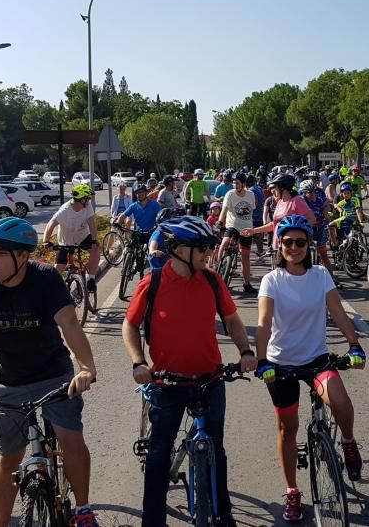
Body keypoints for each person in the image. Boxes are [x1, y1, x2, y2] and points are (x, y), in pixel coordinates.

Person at [122, 218, 257, 527]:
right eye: (203, 249)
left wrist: (246, 352)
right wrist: (138, 362)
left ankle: (223, 514)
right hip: (167, 382)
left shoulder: (211, 280)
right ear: (180, 250)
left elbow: (232, 320)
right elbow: (129, 324)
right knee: (159, 454)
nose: (209, 254)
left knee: (216, 450)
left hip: (210, 379)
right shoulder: (153, 283)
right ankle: (153, 521)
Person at [0, 218, 99, 527]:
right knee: (10, 459)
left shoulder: (45, 279)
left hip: (53, 375)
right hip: (8, 382)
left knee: (70, 438)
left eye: (1, 252)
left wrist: (86, 368)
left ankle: (82, 511)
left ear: (23, 257)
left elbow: (69, 324)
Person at [255, 215, 365, 522]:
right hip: (281, 364)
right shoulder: (272, 280)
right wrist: (262, 360)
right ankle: (292, 491)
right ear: (280, 246)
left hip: (316, 360)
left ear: (308, 245)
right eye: (287, 242)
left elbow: (338, 313)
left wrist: (354, 344)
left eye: (300, 242)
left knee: (340, 401)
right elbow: (263, 323)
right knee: (287, 429)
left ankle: (348, 441)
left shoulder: (319, 275)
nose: (294, 247)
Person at [43, 184, 100, 295]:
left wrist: (94, 241)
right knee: (59, 268)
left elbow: (92, 224)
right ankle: (51, 292)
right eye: (87, 198)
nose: (88, 201)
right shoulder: (65, 210)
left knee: (96, 251)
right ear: (82, 199)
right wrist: (46, 241)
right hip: (65, 241)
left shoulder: (87, 207)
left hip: (83, 237)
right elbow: (50, 224)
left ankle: (90, 279)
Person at [243, 173, 315, 252]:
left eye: (274, 188)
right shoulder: (280, 202)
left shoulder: (297, 201)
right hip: (278, 246)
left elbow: (311, 219)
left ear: (282, 188)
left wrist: (296, 234)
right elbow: (275, 224)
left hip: (293, 248)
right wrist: (253, 231)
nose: (272, 191)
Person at [218, 171, 257, 294]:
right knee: (225, 243)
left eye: (238, 183)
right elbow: (224, 209)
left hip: (246, 228)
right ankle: (218, 269)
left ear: (243, 184)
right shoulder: (230, 194)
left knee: (245, 256)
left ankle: (247, 283)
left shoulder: (250, 195)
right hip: (232, 225)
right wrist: (220, 221)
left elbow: (252, 209)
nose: (235, 185)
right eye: (234, 183)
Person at [328, 181, 365, 248]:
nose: (346, 195)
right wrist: (338, 209)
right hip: (342, 218)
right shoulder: (339, 200)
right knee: (332, 226)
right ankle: (336, 243)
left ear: (351, 192)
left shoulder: (356, 199)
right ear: (342, 193)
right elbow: (335, 206)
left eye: (348, 193)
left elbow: (358, 211)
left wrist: (360, 221)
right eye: (345, 193)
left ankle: (337, 244)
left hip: (349, 219)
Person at [247, 173, 266, 258]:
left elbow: (255, 203)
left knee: (250, 237)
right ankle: (261, 254)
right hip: (260, 215)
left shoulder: (251, 190)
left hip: (253, 216)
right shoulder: (259, 189)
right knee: (259, 239)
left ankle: (247, 255)